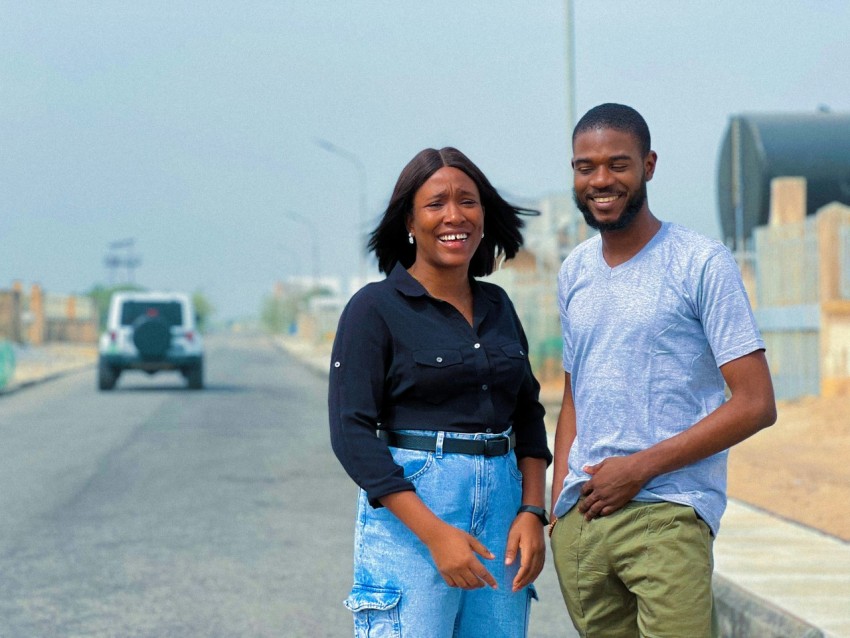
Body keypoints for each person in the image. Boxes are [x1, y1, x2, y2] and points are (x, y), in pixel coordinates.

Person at [549, 103, 777, 637]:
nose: (601, 180)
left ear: (648, 166)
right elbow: (574, 395)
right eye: (586, 167)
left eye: (618, 164)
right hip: (584, 521)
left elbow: (756, 403)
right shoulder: (575, 270)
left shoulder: (700, 262)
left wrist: (640, 468)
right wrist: (560, 499)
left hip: (669, 515)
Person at [328, 147, 552, 638]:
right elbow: (352, 433)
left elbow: (529, 416)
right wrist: (435, 535)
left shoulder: (499, 305)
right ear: (410, 220)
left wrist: (532, 511)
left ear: (484, 215)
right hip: (414, 520)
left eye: (468, 201)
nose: (455, 216)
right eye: (436, 204)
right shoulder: (374, 309)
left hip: (502, 519)